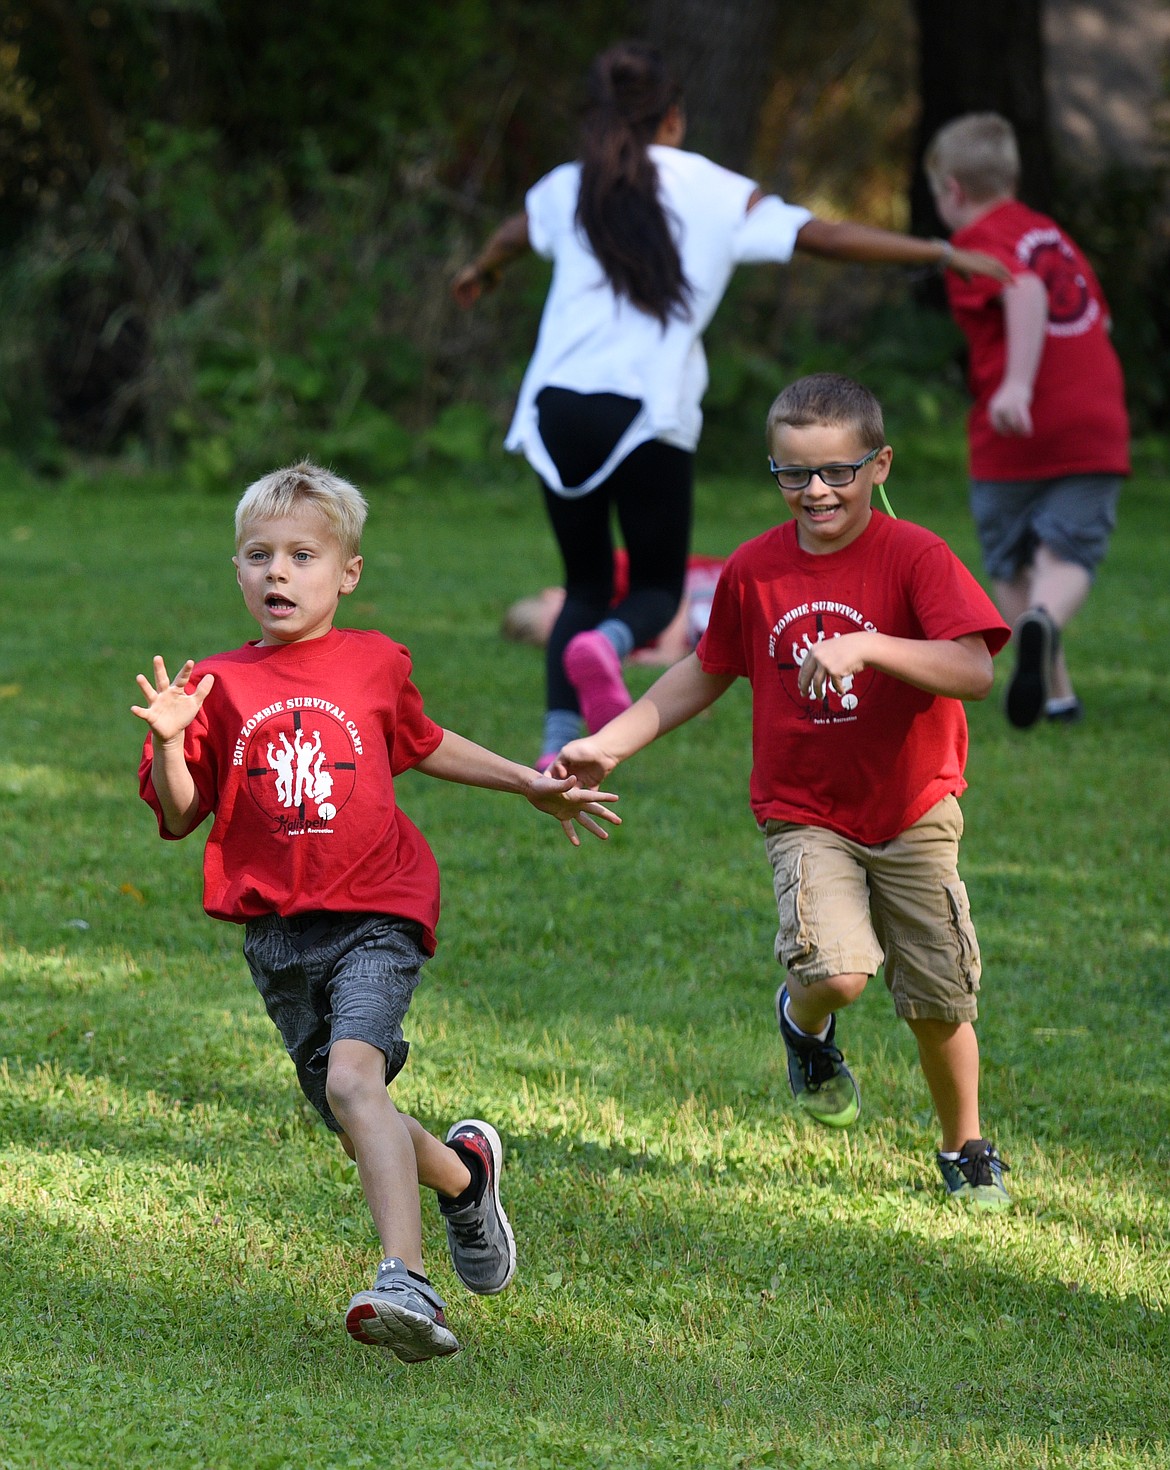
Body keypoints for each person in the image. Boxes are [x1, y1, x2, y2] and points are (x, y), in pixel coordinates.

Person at [132, 462, 619, 1363]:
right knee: (357, 1116)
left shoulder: (374, 660)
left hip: (376, 913)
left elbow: (423, 744)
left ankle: (405, 1279)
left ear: (346, 573)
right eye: (258, 556)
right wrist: (169, 743)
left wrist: (527, 782)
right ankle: (466, 1179)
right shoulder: (214, 685)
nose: (278, 573)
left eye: (302, 556)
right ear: (236, 570)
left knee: (356, 1084)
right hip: (278, 938)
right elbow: (178, 808)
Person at [452, 40, 1010, 769]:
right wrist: (939, 254)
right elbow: (825, 236)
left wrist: (480, 272)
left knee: (585, 580)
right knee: (652, 587)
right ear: (674, 119)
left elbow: (512, 234)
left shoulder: (568, 184)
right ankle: (610, 646)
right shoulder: (713, 188)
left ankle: (559, 747)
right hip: (645, 409)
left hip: (554, 408)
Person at [554, 374, 1015, 1208]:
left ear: (880, 465)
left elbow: (974, 668)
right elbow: (704, 670)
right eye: (794, 474)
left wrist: (869, 646)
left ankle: (964, 1146)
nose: (816, 491)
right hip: (805, 810)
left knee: (940, 995)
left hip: (914, 809)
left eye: (837, 471)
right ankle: (806, 1027)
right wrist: (609, 744)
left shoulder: (917, 558)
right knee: (836, 972)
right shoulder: (756, 569)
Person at [925, 112, 1130, 728]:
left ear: (953, 191)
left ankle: (1041, 644)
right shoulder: (1051, 235)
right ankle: (1058, 689)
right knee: (1068, 554)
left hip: (1012, 429)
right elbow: (1103, 322)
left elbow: (1025, 293)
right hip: (1093, 422)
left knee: (1010, 561)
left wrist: (1016, 383)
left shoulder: (976, 245)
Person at [501, 550, 725, 667]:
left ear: (553, 593)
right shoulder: (610, 639)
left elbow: (669, 590)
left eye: (563, 618)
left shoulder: (608, 572)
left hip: (722, 587)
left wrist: (668, 651)